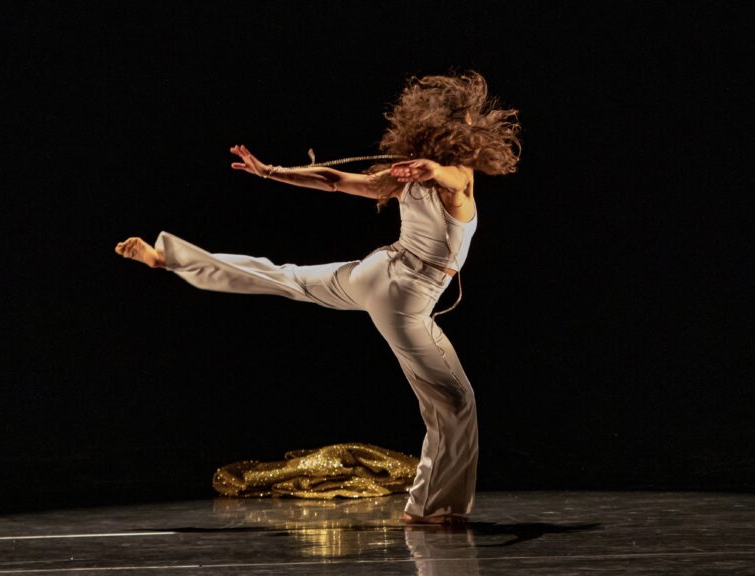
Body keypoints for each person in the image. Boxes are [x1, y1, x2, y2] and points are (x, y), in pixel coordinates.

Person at [115, 71, 521, 526]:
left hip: (373, 274)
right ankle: (432, 509)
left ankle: (169, 259)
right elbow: (440, 178)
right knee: (455, 401)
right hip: (404, 295)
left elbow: (336, 181)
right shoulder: (453, 177)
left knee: (283, 277)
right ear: (453, 136)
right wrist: (273, 172)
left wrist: (271, 171)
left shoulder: (411, 178)